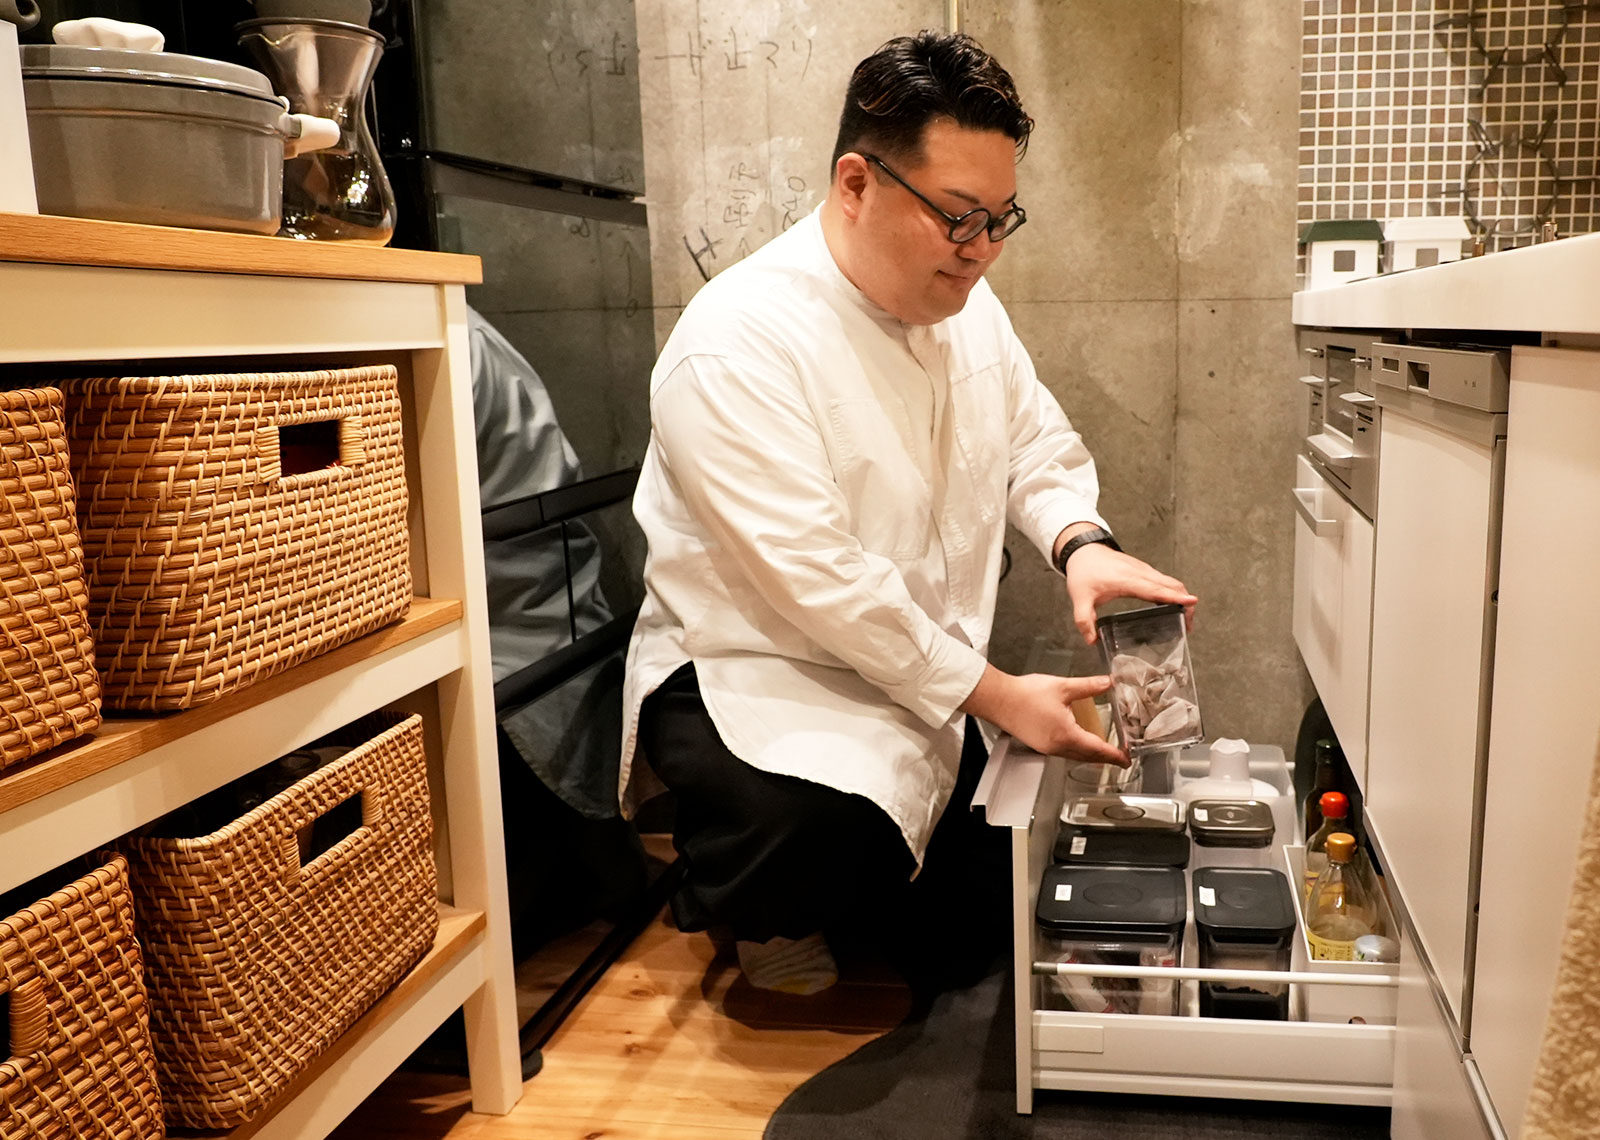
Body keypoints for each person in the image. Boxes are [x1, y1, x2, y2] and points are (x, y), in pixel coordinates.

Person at [618, 31, 1197, 994]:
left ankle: (871, 881)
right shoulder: (735, 341)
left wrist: (1081, 544)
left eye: (1002, 220)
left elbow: (1033, 445)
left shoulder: (966, 305)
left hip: (920, 665)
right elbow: (821, 585)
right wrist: (1001, 696)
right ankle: (756, 909)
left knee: (979, 914)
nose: (983, 251)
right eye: (959, 217)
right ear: (857, 183)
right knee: (815, 829)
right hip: (762, 666)